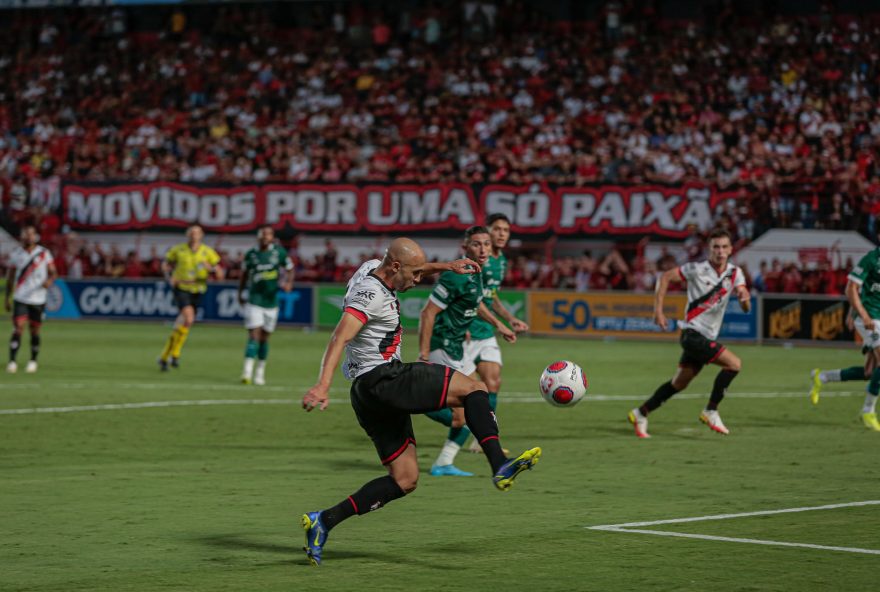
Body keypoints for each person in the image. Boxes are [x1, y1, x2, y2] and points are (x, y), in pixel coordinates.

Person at [300, 238, 541, 566]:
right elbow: (339, 336)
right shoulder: (370, 296)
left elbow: (411, 265)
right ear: (395, 268)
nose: (418, 280)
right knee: (474, 389)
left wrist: (446, 266)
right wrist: (322, 385)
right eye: (414, 275)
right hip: (385, 379)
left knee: (405, 479)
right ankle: (499, 464)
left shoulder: (373, 266)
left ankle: (323, 521)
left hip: (365, 394)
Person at [628, 228, 750, 438]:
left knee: (678, 384)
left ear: (730, 250)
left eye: (724, 247)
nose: (720, 251)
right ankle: (711, 410)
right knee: (734, 364)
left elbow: (746, 306)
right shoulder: (696, 269)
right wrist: (658, 310)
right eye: (715, 247)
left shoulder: (735, 273)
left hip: (706, 337)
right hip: (692, 334)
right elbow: (665, 277)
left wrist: (744, 298)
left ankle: (641, 413)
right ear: (709, 250)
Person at [418, 226, 517, 477]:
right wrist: (424, 353)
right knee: (467, 409)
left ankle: (443, 463)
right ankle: (404, 401)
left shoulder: (476, 272)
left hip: (456, 347)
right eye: (476, 244)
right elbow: (428, 312)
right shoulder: (454, 275)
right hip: (443, 346)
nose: (483, 249)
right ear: (465, 248)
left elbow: (477, 303)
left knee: (473, 403)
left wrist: (500, 325)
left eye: (486, 243)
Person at [463, 213, 529, 454]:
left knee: (493, 382)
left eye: (506, 230)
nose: (502, 233)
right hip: (466, 331)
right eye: (497, 229)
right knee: (463, 396)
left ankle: (483, 438)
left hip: (486, 330)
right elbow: (469, 298)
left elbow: (491, 297)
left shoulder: (500, 261)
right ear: (488, 232)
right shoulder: (474, 260)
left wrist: (510, 318)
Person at [809, 244, 880, 431]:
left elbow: (864, 289)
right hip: (871, 318)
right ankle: (868, 410)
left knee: (870, 373)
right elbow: (851, 289)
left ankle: (822, 377)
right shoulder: (871, 259)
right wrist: (861, 315)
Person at [157, 225, 224, 371]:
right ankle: (175, 353)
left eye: (197, 233)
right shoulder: (178, 249)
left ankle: (164, 356)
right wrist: (169, 276)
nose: (194, 235)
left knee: (182, 323)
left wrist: (212, 269)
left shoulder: (207, 252)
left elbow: (220, 274)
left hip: (198, 289)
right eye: (192, 232)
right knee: (189, 319)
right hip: (181, 288)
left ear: (201, 235)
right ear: (187, 235)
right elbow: (165, 264)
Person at [238, 225, 294, 385]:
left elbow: (290, 268)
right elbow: (243, 275)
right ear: (258, 236)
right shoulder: (251, 254)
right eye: (262, 234)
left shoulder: (279, 252)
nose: (265, 237)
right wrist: (240, 293)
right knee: (253, 335)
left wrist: (288, 283)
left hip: (271, 302)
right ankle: (247, 372)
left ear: (272, 237)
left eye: (268, 234)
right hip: (254, 300)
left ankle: (260, 372)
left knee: (264, 338)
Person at [5, 225, 57, 374]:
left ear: (35, 236)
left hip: (38, 299)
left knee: (34, 330)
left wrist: (49, 281)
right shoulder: (16, 254)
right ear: (22, 236)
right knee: (18, 328)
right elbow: (10, 278)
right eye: (26, 234)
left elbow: (53, 273)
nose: (28, 237)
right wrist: (7, 299)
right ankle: (12, 361)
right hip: (20, 297)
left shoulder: (44, 254)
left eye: (31, 234)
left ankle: (33, 360)